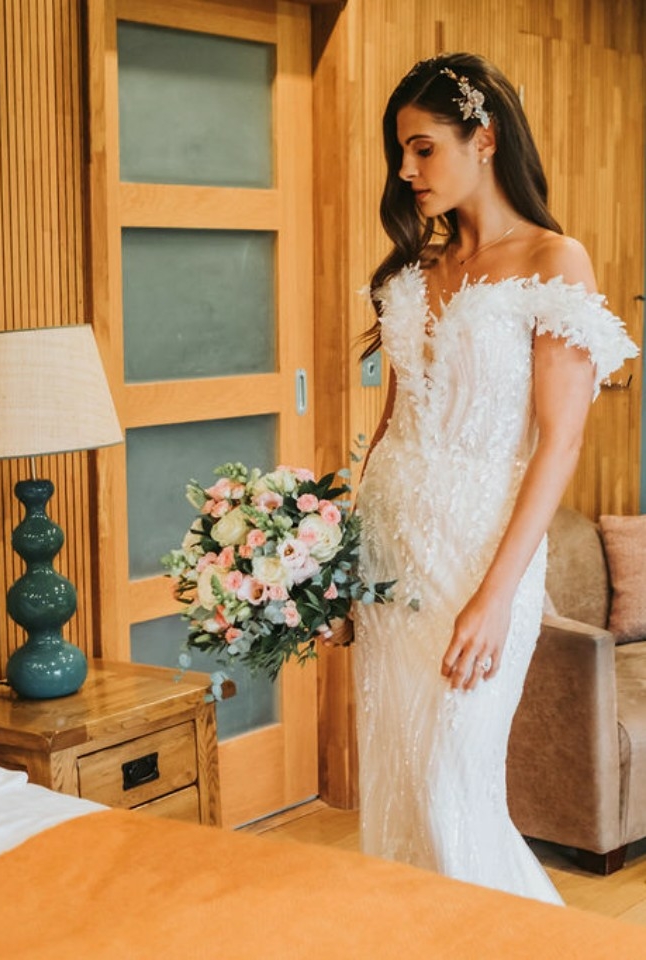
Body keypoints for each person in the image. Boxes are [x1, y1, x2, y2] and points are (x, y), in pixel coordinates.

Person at [353, 52, 638, 905]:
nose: (407, 171)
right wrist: (337, 561)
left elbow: (561, 441)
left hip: (481, 557)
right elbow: (390, 426)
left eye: (423, 148)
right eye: (400, 153)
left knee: (453, 787)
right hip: (389, 561)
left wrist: (497, 595)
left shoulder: (554, 258)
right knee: (401, 782)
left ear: (483, 139)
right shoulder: (414, 270)